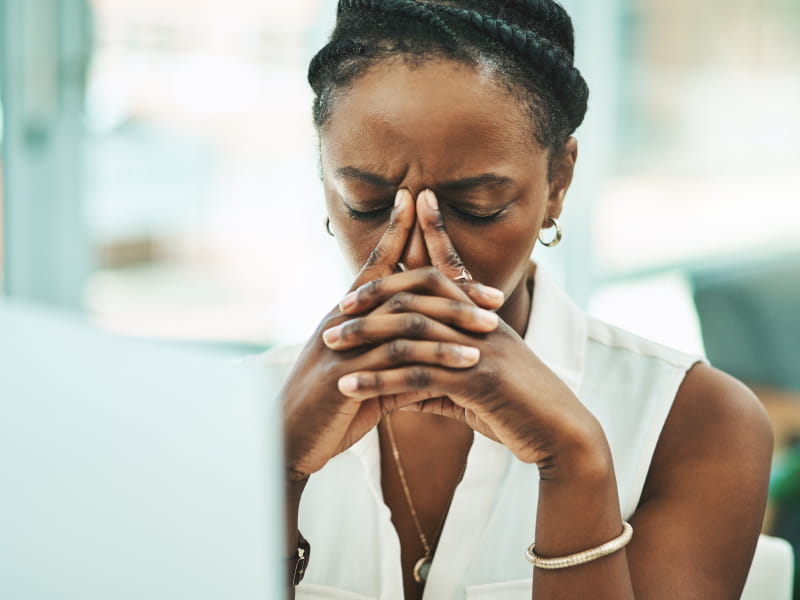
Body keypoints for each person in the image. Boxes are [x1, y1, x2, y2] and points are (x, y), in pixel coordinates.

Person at [277, 1, 773, 598]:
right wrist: (271, 475)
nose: (412, 257)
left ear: (557, 183)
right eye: (367, 201)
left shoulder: (694, 422)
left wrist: (576, 464)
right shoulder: (227, 415)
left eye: (477, 206)